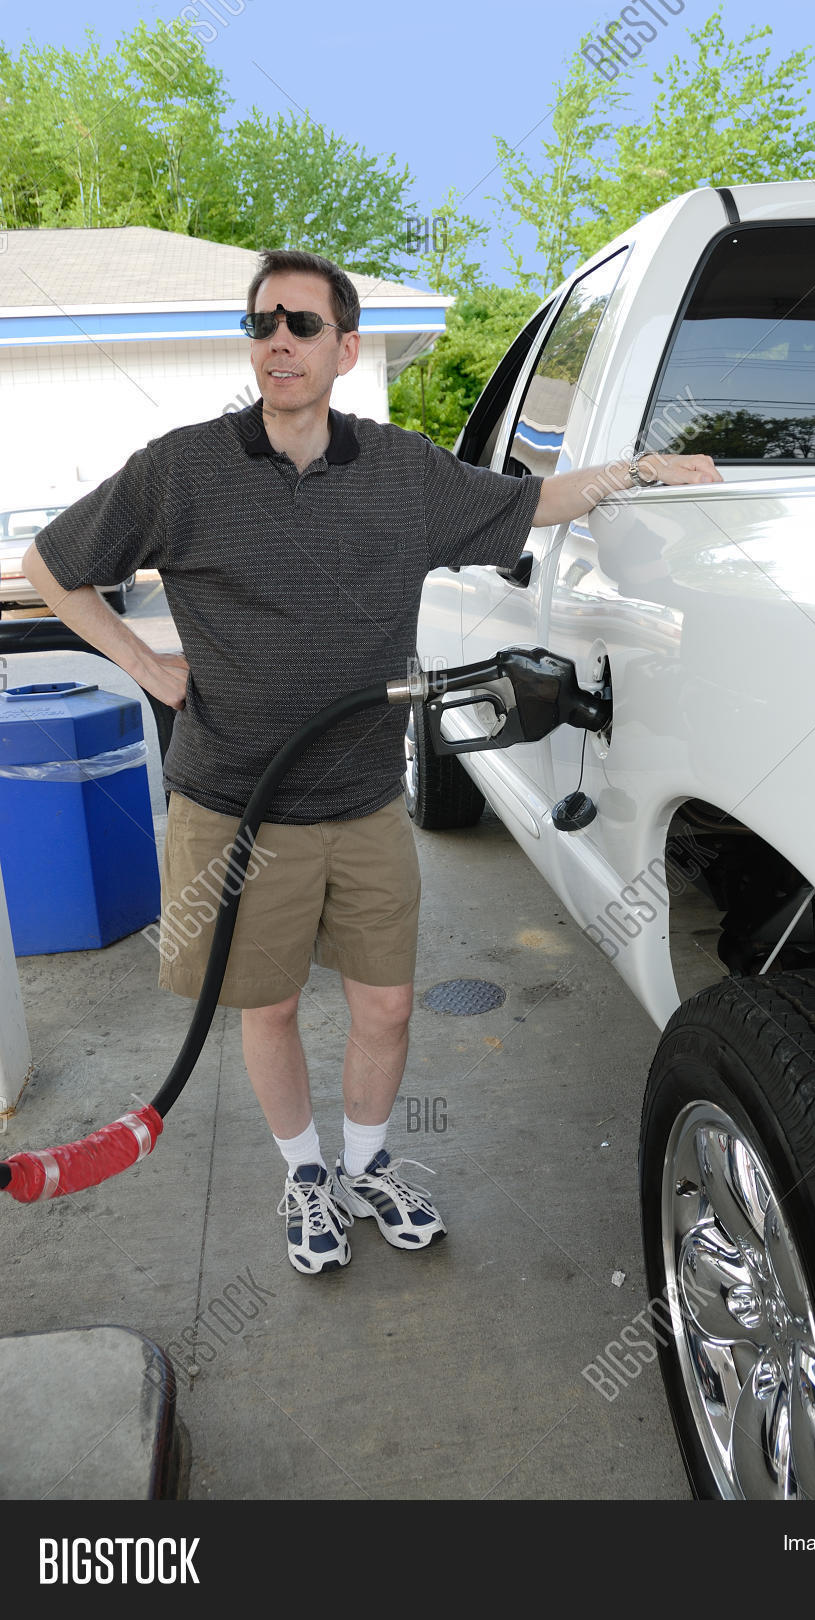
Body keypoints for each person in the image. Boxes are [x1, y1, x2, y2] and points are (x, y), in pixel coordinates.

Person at [24, 248, 721, 1276]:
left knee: (385, 1004)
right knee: (265, 1006)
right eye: (262, 324)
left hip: (358, 800)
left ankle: (366, 1162)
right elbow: (51, 564)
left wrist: (643, 473)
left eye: (302, 325)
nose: (278, 343)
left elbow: (530, 505)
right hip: (234, 801)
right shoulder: (182, 470)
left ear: (345, 347)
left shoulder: (402, 473)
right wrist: (141, 662)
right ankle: (305, 1176)